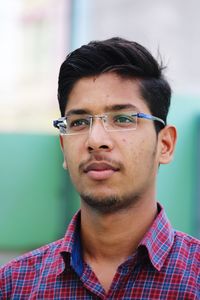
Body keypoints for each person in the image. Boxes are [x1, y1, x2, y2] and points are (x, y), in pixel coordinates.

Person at [0, 37, 199, 299]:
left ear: (165, 145)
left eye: (123, 119)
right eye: (80, 122)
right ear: (63, 147)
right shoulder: (15, 285)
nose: (96, 140)